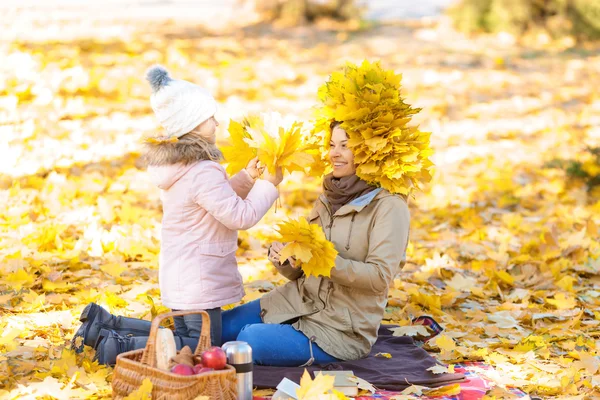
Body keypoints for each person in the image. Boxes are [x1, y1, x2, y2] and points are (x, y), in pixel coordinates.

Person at [71, 65, 283, 365]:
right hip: (199, 279)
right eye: (210, 117)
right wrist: (267, 186)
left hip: (184, 274)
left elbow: (215, 199)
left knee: (182, 339)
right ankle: (116, 346)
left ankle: (104, 324)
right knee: (196, 348)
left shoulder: (184, 166)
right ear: (193, 124)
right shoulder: (202, 170)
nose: (217, 122)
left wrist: (247, 178)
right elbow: (239, 217)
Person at [219, 120, 411, 366]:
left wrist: (323, 260)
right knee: (218, 327)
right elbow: (299, 271)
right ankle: (156, 342)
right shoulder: (329, 197)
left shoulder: (389, 206)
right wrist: (287, 257)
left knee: (248, 339)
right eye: (332, 145)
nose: (334, 153)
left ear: (371, 151)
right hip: (297, 301)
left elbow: (379, 277)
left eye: (345, 145)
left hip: (340, 328)